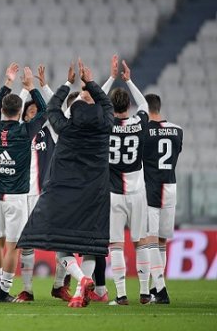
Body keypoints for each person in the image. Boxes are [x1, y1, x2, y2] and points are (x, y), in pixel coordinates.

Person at [18, 60, 113, 309]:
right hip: (96, 193)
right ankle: (84, 286)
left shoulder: (65, 128)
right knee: (91, 246)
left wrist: (68, 83)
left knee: (61, 242)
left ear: (73, 111)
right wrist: (91, 83)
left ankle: (80, 280)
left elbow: (51, 108)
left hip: (65, 191)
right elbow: (107, 105)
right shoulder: (105, 126)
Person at [0, 64, 47, 303]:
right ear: (20, 110)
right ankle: (4, 290)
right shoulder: (25, 132)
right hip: (16, 197)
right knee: (13, 246)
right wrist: (31, 86)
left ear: (2, 109)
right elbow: (44, 110)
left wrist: (7, 82)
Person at [101, 58, 151, 306]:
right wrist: (129, 79)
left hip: (113, 194)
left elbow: (97, 101)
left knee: (116, 244)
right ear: (128, 105)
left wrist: (111, 77)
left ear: (110, 107)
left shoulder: (105, 124)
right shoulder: (139, 123)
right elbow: (144, 104)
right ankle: (144, 293)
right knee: (141, 242)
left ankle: (121, 295)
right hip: (137, 192)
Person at [142, 93, 183, 304]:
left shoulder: (144, 132)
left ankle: (161, 289)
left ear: (146, 108)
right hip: (170, 186)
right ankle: (158, 288)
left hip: (151, 187)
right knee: (161, 242)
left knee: (150, 239)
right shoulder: (178, 130)